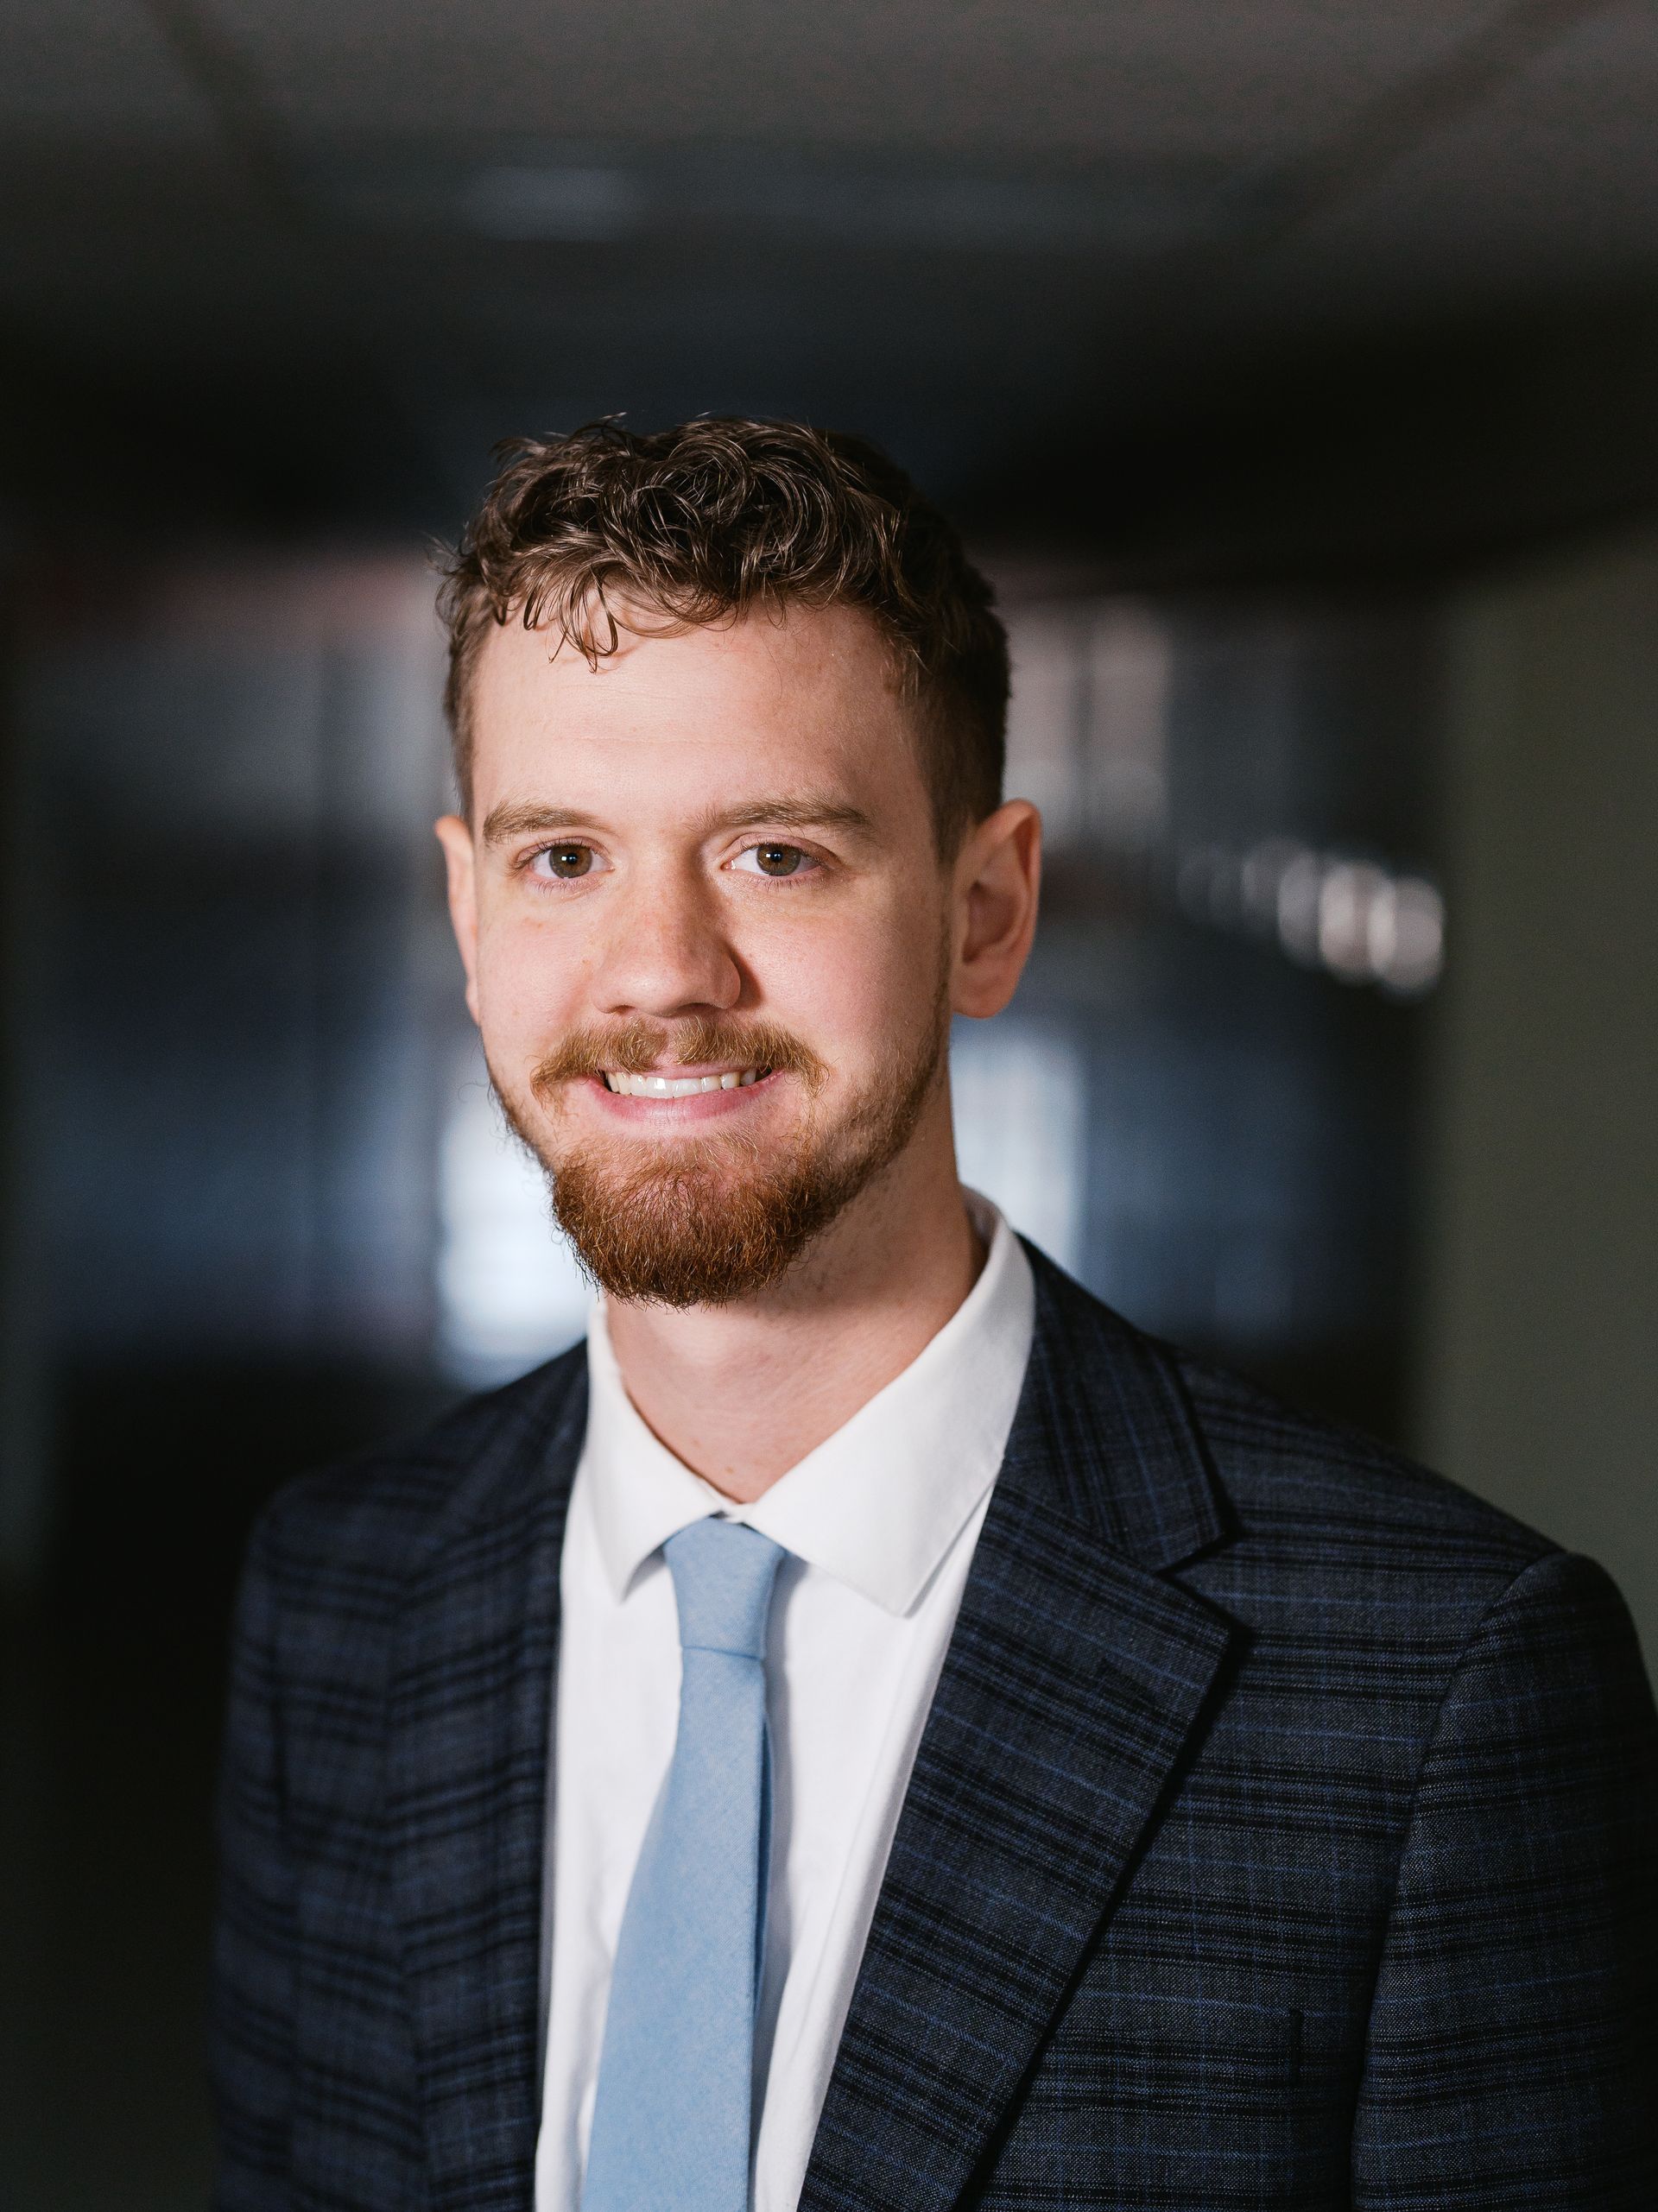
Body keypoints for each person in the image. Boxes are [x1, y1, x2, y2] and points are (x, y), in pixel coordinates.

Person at [212, 419, 1658, 2212]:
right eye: (565, 858)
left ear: (987, 911)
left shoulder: (1438, 1691)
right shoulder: (339, 1599)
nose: (662, 972)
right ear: (468, 906)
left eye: (778, 856)